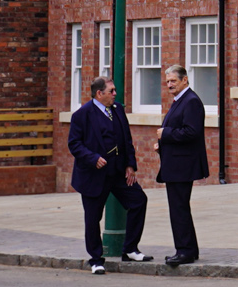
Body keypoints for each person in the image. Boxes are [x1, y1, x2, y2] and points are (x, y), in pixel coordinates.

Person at [67, 75, 150, 273]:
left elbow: (127, 139)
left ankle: (130, 248)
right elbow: (74, 144)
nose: (115, 94)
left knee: (139, 201)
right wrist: (93, 158)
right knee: (93, 217)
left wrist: (130, 165)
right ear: (99, 93)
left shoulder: (118, 109)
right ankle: (96, 259)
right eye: (111, 91)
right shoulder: (82, 115)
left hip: (118, 171)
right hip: (93, 175)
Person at [156, 64, 208, 266]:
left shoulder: (191, 101)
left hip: (182, 166)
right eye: (167, 81)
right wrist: (161, 143)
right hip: (176, 162)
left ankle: (184, 251)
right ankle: (190, 249)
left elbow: (191, 132)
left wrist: (165, 134)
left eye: (173, 81)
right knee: (180, 207)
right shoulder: (180, 101)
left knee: (178, 209)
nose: (169, 85)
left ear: (185, 80)